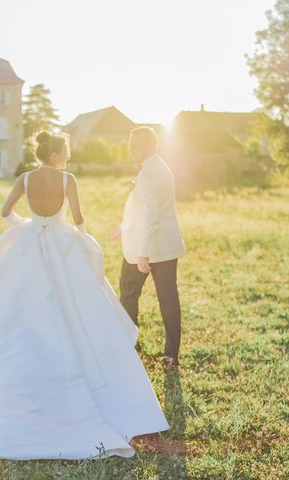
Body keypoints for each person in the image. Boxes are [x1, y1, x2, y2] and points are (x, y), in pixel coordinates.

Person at [0, 131, 170, 460]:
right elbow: (78, 220)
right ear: (59, 153)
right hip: (61, 246)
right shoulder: (67, 180)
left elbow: (6, 212)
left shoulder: (25, 178)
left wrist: (27, 225)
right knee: (75, 311)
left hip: (29, 244)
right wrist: (77, 239)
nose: (68, 157)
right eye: (67, 152)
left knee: (16, 312)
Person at [111, 126, 187, 368]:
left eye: (134, 145)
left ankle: (128, 347)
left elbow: (152, 215)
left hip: (145, 250)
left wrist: (143, 253)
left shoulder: (149, 173)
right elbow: (144, 210)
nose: (130, 149)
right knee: (168, 297)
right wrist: (124, 227)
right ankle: (171, 354)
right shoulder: (159, 167)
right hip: (164, 247)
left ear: (146, 146)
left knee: (128, 292)